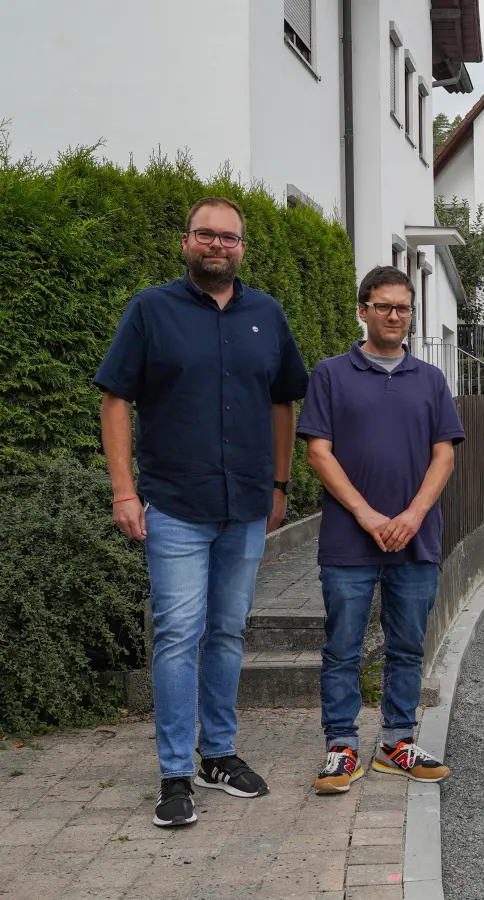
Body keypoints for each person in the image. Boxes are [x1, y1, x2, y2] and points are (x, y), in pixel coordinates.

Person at [95, 196, 309, 828]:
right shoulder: (150, 310)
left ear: (243, 248)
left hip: (245, 503)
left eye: (229, 238)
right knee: (179, 634)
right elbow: (114, 400)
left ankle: (217, 754)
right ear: (185, 242)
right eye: (206, 235)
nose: (218, 246)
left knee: (227, 632)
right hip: (176, 507)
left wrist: (279, 485)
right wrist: (123, 491)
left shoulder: (267, 314)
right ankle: (174, 773)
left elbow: (282, 404)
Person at [297, 266, 465, 795]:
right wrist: (368, 516)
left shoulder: (430, 380)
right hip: (350, 539)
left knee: (408, 645)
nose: (395, 316)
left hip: (416, 537)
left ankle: (397, 742)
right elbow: (317, 452)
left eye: (404, 308)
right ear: (363, 310)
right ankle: (341, 748)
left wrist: (413, 515)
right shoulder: (330, 374)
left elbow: (444, 456)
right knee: (343, 645)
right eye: (384, 306)